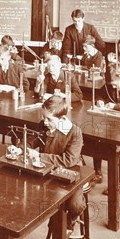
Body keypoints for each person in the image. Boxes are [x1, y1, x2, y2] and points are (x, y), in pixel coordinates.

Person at [31, 95, 85, 228]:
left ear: (61, 119)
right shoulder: (44, 126)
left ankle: (69, 221)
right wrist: (21, 148)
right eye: (43, 117)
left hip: (71, 171)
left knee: (74, 205)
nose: (44, 122)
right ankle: (55, 219)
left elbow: (69, 160)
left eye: (49, 119)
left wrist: (39, 156)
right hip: (49, 169)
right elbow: (31, 140)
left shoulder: (74, 132)